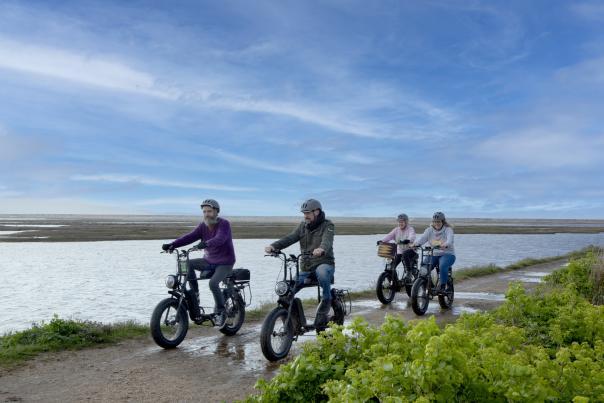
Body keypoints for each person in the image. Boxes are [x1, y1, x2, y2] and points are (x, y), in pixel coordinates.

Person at [162, 199, 235, 327]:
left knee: (213, 283)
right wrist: (172, 244)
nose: (207, 214)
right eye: (204, 212)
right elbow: (189, 237)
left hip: (225, 262)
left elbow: (220, 238)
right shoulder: (202, 226)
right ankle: (195, 295)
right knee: (185, 263)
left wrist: (206, 243)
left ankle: (220, 312)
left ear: (216, 212)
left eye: (210, 211)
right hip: (208, 260)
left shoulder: (224, 224)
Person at [264, 199, 335, 328]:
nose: (305, 216)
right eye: (304, 213)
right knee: (287, 290)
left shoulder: (328, 225)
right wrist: (274, 246)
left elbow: (327, 241)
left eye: (307, 213)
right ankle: (294, 321)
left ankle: (327, 300)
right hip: (307, 268)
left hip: (324, 263)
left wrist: (321, 249)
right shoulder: (303, 226)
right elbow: (290, 238)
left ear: (317, 212)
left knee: (322, 273)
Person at [413, 211, 455, 293]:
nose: (436, 223)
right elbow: (422, 239)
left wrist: (445, 244)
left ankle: (442, 286)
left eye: (438, 221)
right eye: (435, 221)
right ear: (432, 222)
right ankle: (429, 285)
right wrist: (415, 244)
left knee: (442, 266)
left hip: (447, 254)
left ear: (443, 221)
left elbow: (450, 240)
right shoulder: (429, 230)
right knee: (424, 267)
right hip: (433, 254)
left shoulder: (448, 230)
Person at [377, 213, 417, 279]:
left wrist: (408, 240)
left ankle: (409, 272)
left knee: (405, 254)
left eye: (402, 222)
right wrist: (382, 241)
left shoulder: (410, 229)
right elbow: (389, 236)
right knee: (391, 267)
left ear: (406, 222)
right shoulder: (396, 230)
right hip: (400, 252)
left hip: (410, 250)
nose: (400, 223)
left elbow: (412, 235)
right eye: (399, 222)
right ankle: (394, 283)